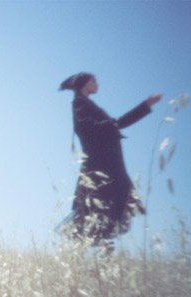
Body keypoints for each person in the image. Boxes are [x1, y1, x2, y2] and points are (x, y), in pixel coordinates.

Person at [59, 72, 162, 247]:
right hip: (98, 166)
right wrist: (111, 125)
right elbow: (83, 127)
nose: (97, 83)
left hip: (111, 167)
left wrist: (145, 105)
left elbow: (118, 122)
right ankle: (81, 254)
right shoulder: (79, 102)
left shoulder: (90, 105)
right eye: (93, 80)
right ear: (84, 84)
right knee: (95, 211)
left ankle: (99, 261)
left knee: (107, 213)